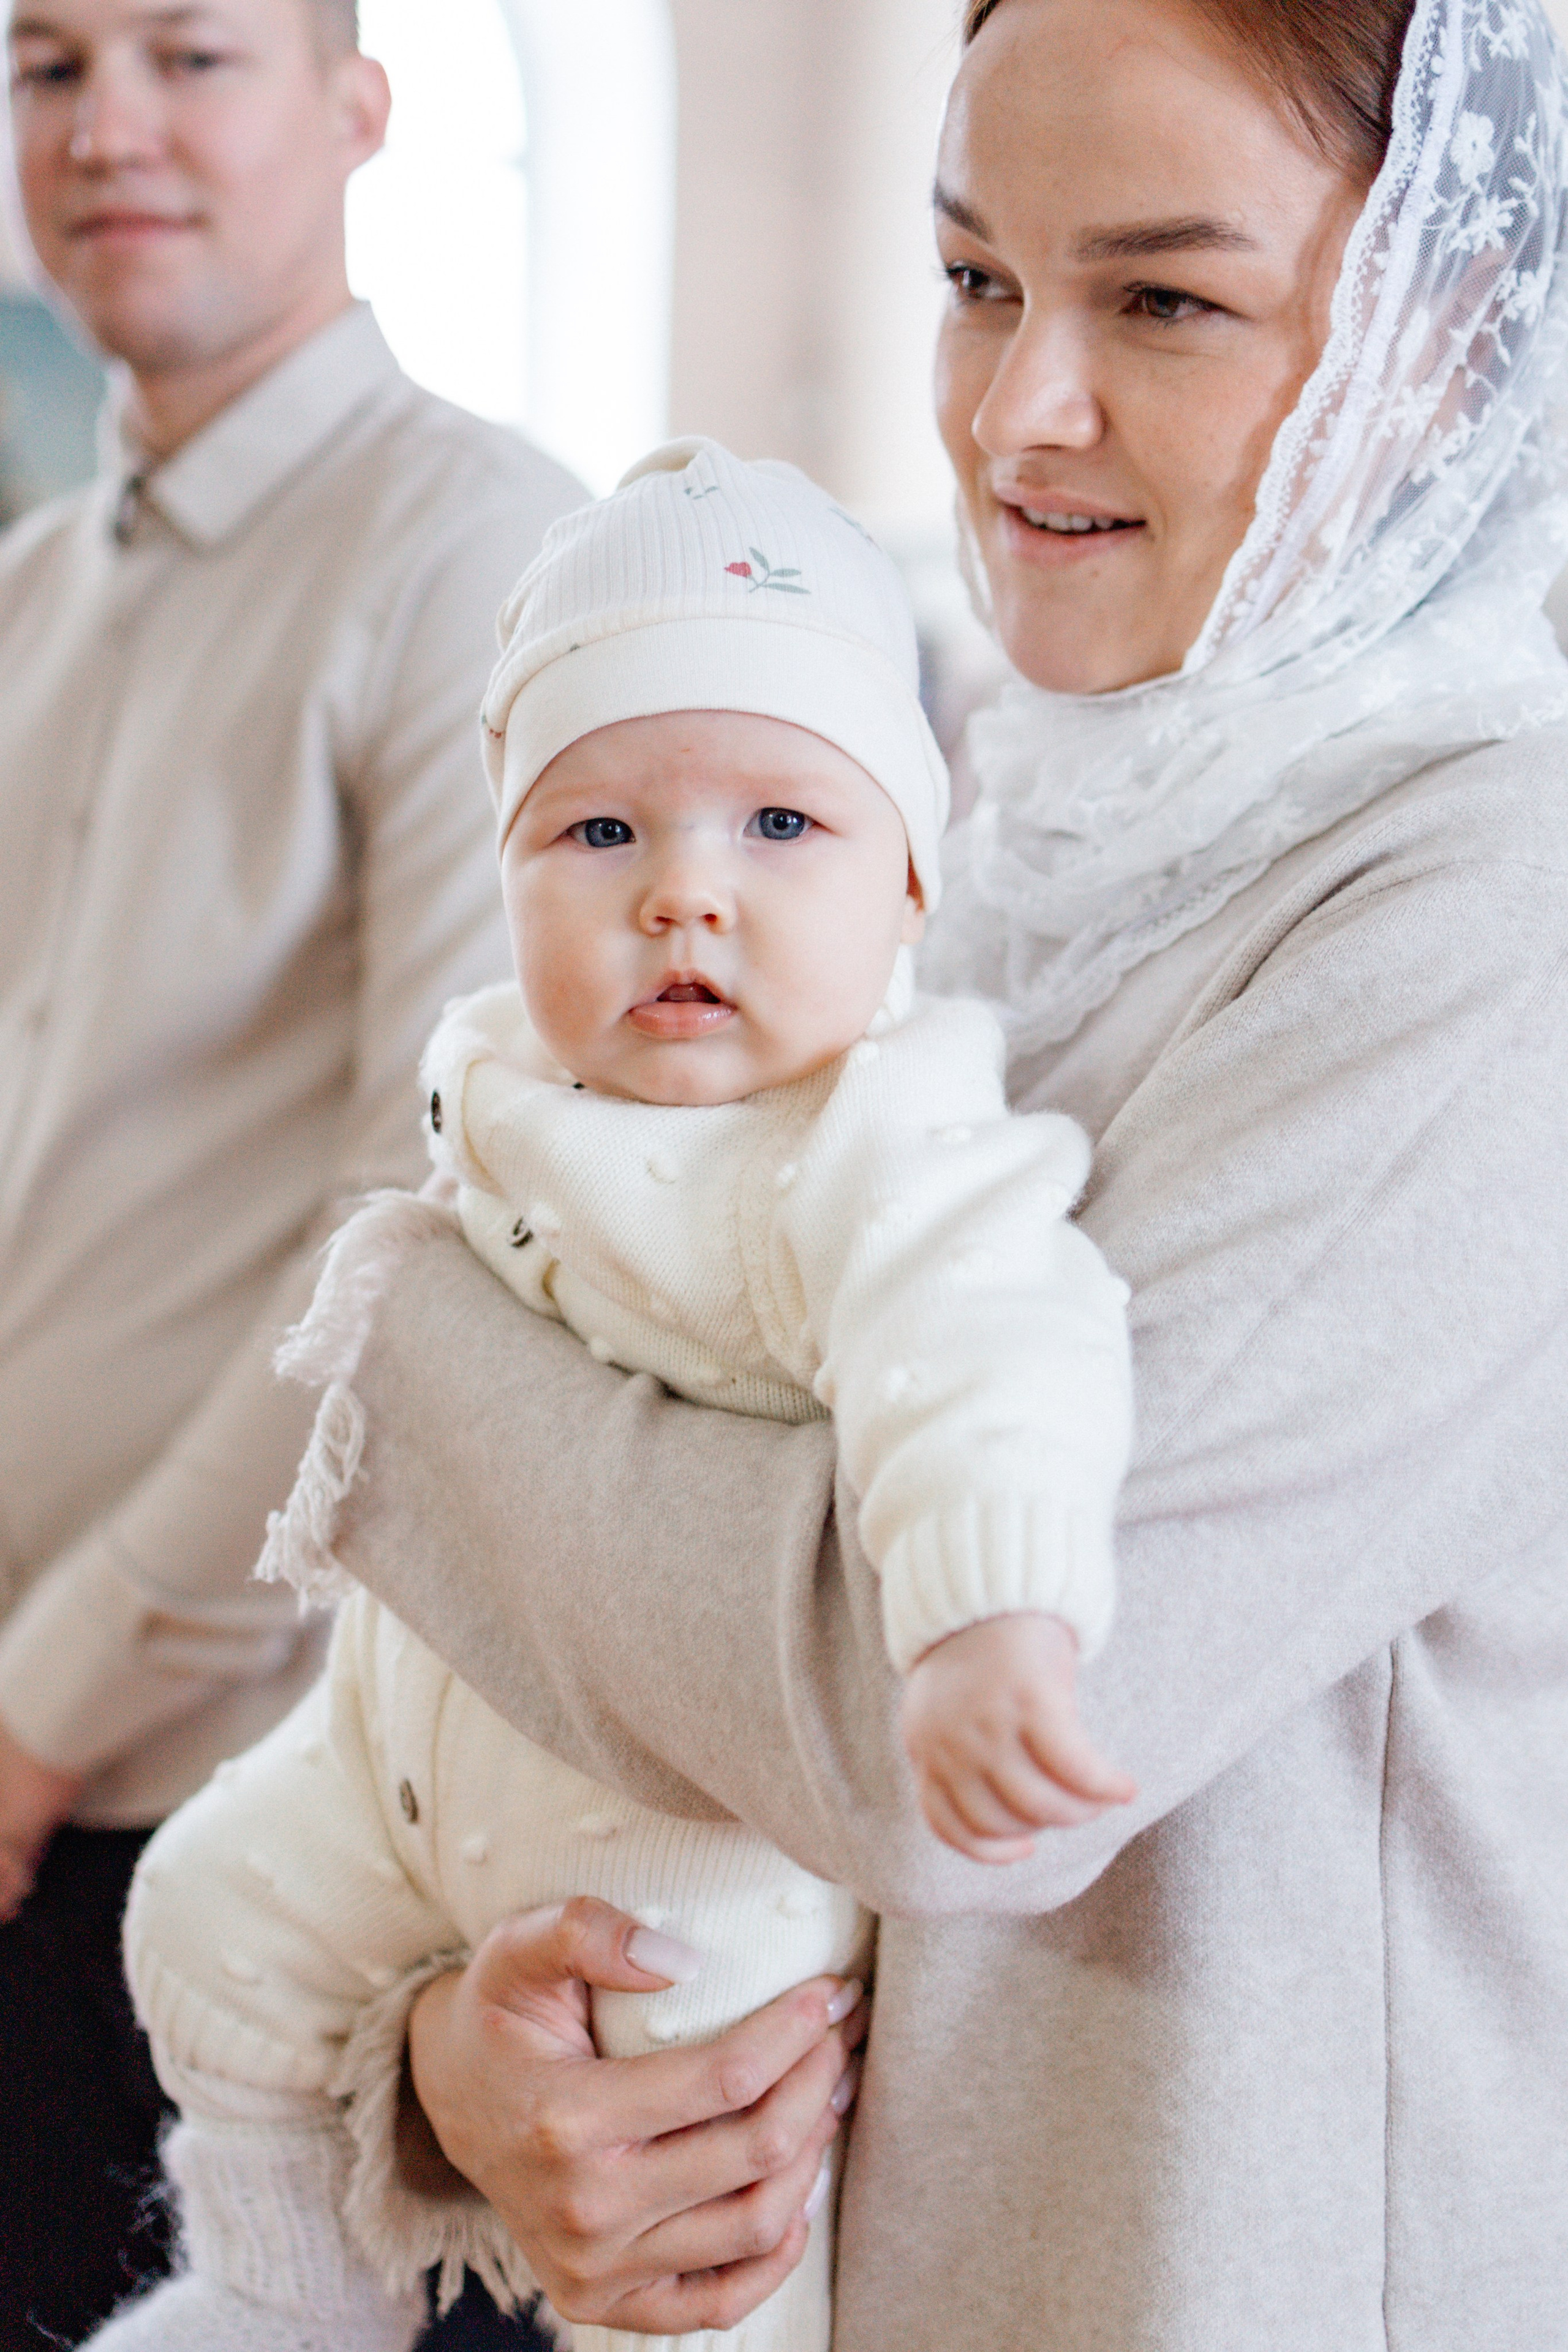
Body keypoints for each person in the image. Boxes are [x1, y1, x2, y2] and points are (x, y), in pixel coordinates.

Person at [243, 0, 1568, 2345]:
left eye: (1163, 301)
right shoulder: (1011, 813)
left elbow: (933, 1726)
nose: (1015, 409)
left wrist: (405, 1344)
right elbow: (663, 1558)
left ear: (1451, 332)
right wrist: (475, 2080)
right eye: (976, 279)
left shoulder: (1489, 919)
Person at [85, 438, 1136, 2352]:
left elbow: (988, 1334)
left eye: (779, 825)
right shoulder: (499, 1071)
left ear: (913, 875)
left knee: (698, 2171)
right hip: (390, 1749)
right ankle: (281, 2298)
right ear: (504, 875)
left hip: (674, 1855)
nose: (683, 898)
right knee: (200, 1915)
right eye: (597, 836)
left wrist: (989, 1616)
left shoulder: (875, 1136)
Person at [0, 0, 578, 2342]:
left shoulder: (482, 551)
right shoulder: (33, 590)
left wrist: (44, 1703)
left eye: (192, 54)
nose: (108, 126)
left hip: (242, 1817)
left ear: (358, 111)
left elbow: (414, 1229)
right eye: (48, 67)